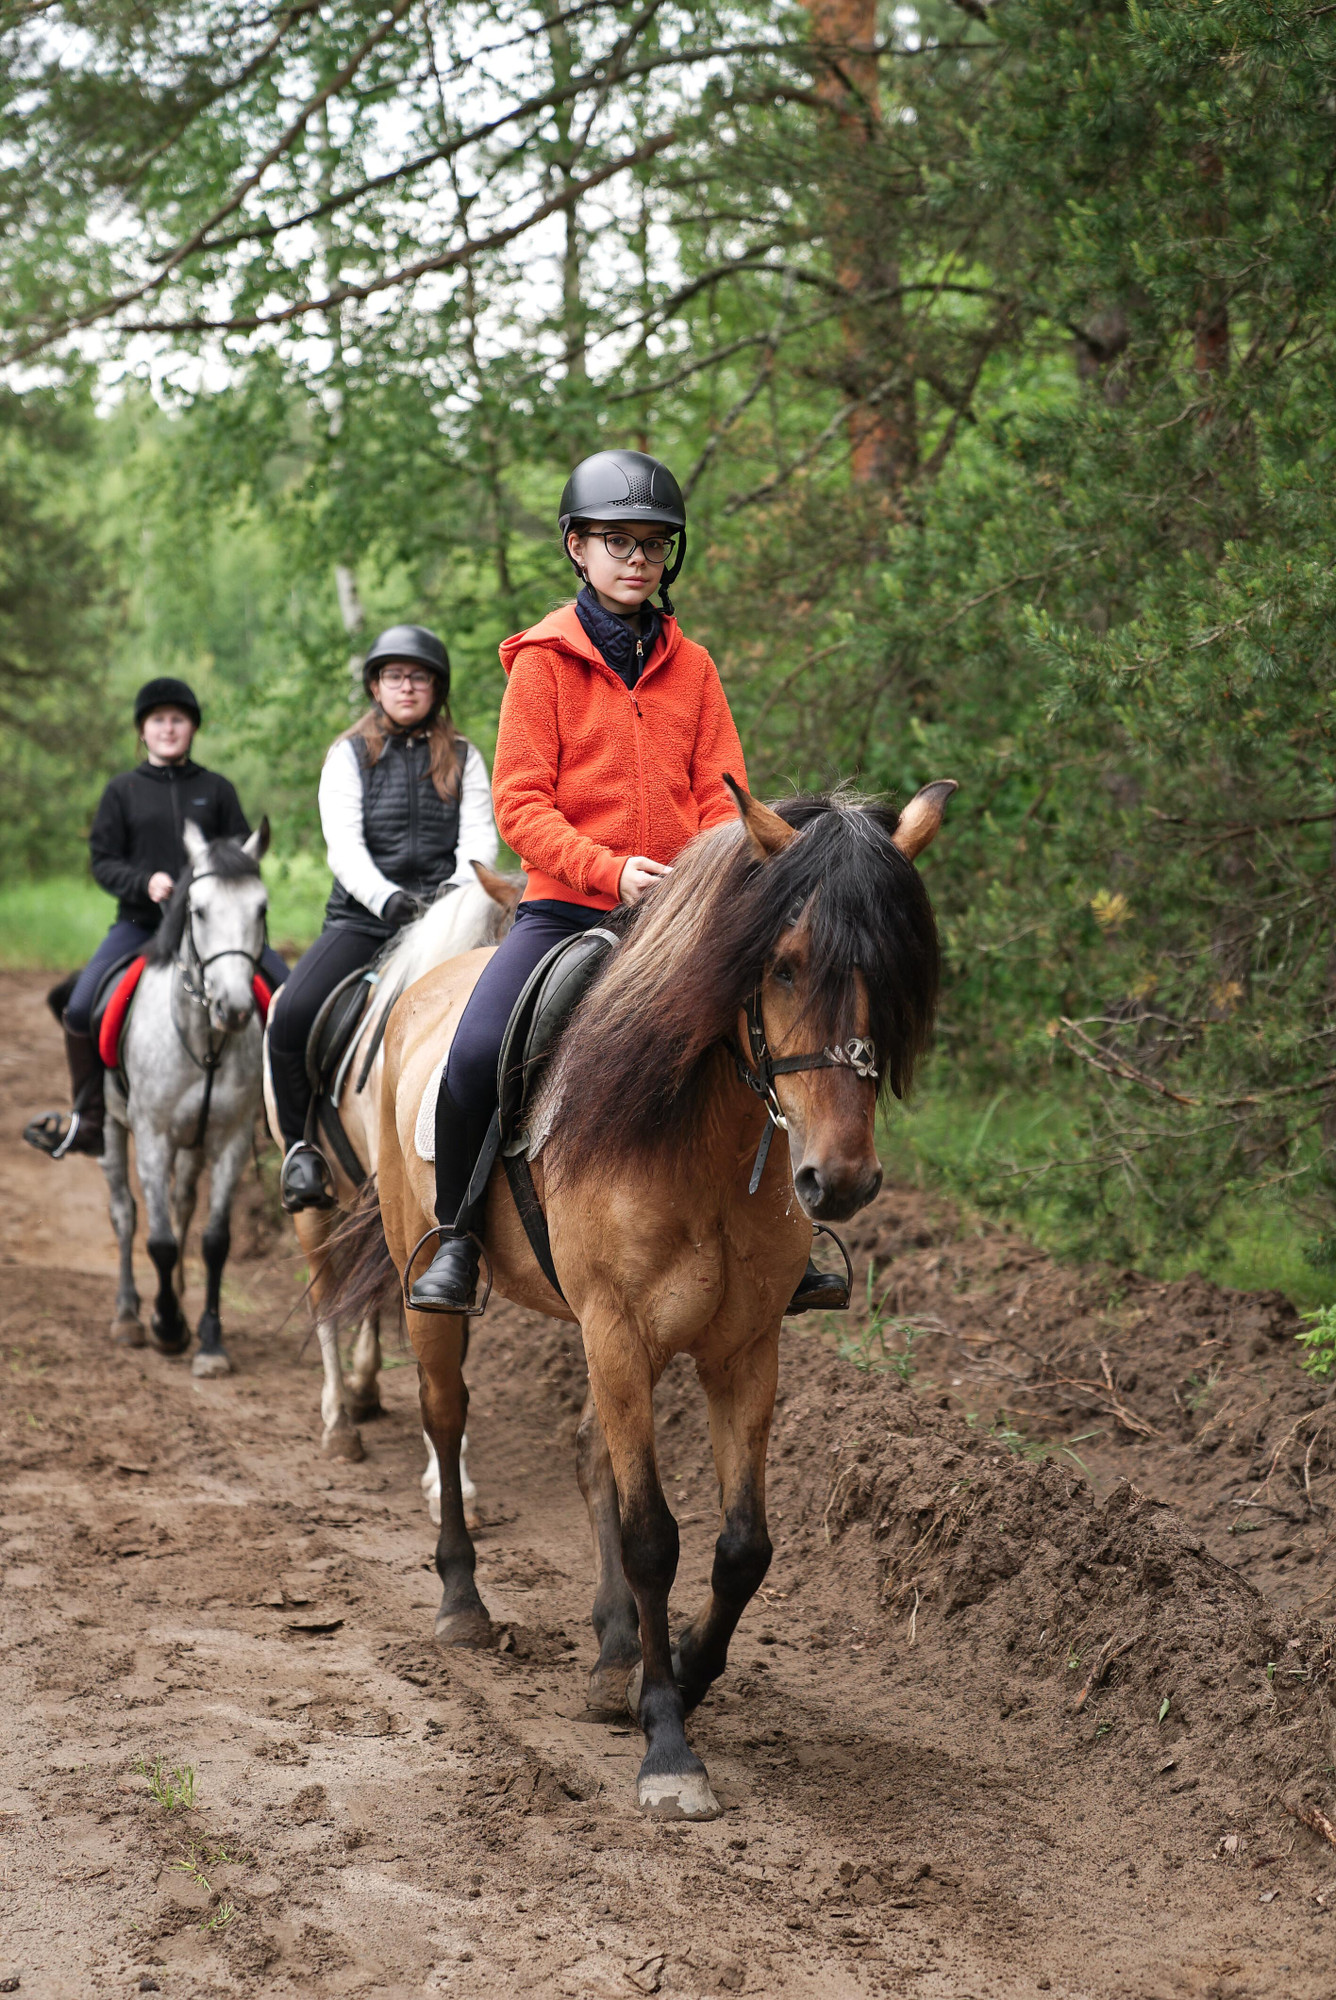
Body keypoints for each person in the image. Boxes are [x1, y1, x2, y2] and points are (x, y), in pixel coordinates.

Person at [409, 448, 846, 1316]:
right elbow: (520, 804)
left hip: (683, 918)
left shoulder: (696, 668)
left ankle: (784, 1242)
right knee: (472, 1056)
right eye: (618, 540)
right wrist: (610, 869)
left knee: (777, 1038)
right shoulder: (541, 664)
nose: (637, 557)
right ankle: (456, 1239)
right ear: (578, 547)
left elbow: (726, 798)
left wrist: (693, 878)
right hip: (565, 909)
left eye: (653, 543)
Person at [268, 622, 498, 1214]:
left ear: (435, 689)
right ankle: (300, 1150)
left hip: (448, 922)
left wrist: (447, 903)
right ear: (376, 686)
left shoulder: (466, 758)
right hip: (364, 920)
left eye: (418, 678)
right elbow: (343, 849)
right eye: (395, 677)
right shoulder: (347, 755)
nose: (406, 687)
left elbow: (480, 847)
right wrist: (390, 902)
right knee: (290, 1013)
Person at [23, 676, 290, 1160]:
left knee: (288, 1001)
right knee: (82, 1007)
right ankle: (89, 1118)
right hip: (140, 925)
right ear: (142, 731)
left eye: (179, 719)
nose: (169, 728)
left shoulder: (218, 789)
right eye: (158, 720)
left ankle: (287, 1121)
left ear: (192, 728)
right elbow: (103, 860)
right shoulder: (121, 791)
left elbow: (242, 860)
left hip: (218, 932)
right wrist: (143, 883)